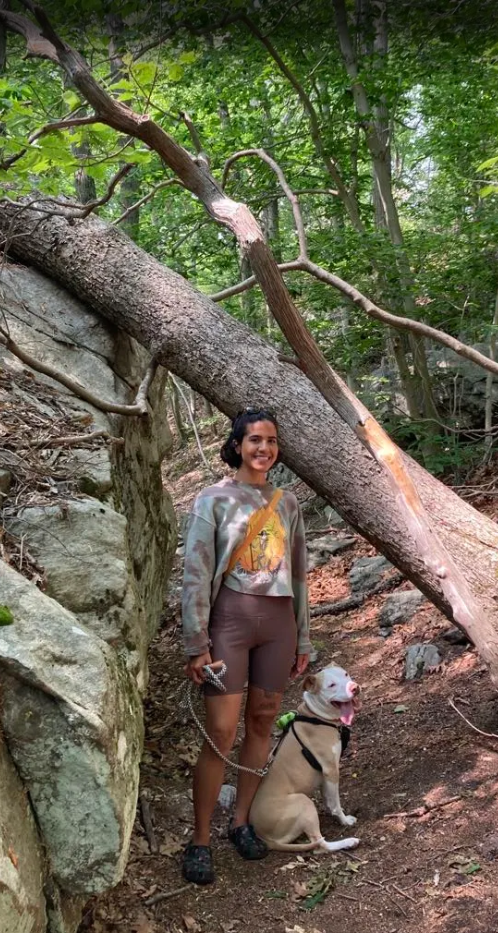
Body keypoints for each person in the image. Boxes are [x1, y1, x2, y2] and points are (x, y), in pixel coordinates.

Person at [181, 407, 311, 885]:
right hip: (229, 623)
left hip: (278, 624)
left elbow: (298, 572)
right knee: (220, 729)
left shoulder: (288, 502)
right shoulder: (212, 500)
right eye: (255, 440)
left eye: (271, 441)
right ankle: (199, 839)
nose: (264, 449)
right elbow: (195, 572)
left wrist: (303, 635)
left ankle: (241, 823)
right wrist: (196, 642)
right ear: (238, 445)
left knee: (262, 719)